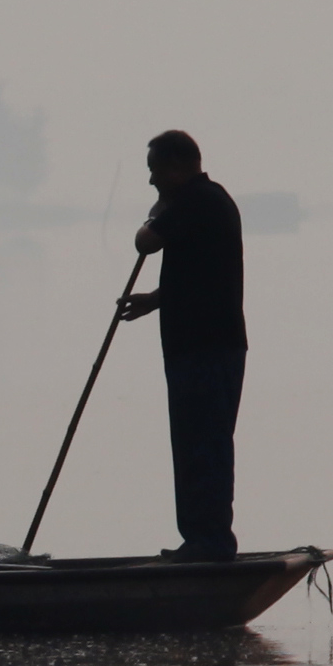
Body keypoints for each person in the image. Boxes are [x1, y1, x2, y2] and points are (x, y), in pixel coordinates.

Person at [113, 130, 248, 560]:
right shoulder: (202, 204)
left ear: (176, 166)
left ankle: (209, 543)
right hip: (200, 346)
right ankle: (201, 540)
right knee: (195, 444)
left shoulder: (197, 200)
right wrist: (155, 300)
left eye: (154, 171)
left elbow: (145, 242)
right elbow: (199, 275)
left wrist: (156, 212)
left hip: (206, 350)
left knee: (202, 445)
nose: (151, 181)